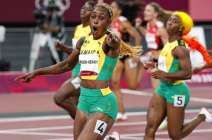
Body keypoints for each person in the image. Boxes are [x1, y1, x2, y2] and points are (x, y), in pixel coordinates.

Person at [16, 3, 138, 139]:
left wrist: (115, 40)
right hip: (84, 101)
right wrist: (37, 72)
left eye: (101, 18)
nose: (96, 20)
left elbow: (115, 42)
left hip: (103, 103)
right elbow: (66, 65)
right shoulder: (83, 41)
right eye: (93, 17)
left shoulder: (108, 42)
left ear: (109, 22)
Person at [143, 11, 212, 140]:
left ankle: (202, 117)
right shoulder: (168, 43)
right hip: (162, 88)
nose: (170, 22)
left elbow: (187, 73)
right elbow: (168, 65)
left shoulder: (180, 49)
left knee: (175, 135)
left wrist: (164, 74)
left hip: (177, 91)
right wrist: (154, 66)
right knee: (150, 129)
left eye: (175, 21)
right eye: (170, 20)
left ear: (181, 28)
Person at [53, 0, 96, 119]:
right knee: (77, 104)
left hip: (85, 73)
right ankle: (88, 130)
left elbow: (87, 53)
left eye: (87, 9)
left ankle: (88, 126)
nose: (83, 11)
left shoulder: (92, 31)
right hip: (75, 70)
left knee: (60, 97)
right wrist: (63, 48)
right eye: (82, 8)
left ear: (92, 13)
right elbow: (76, 52)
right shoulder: (78, 28)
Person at [110, 0, 143, 121]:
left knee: (133, 86)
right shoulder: (108, 22)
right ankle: (120, 111)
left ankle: (141, 66)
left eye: (113, 7)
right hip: (115, 56)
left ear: (119, 10)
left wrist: (137, 54)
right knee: (114, 84)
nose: (110, 8)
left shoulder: (123, 21)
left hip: (127, 55)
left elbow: (137, 36)